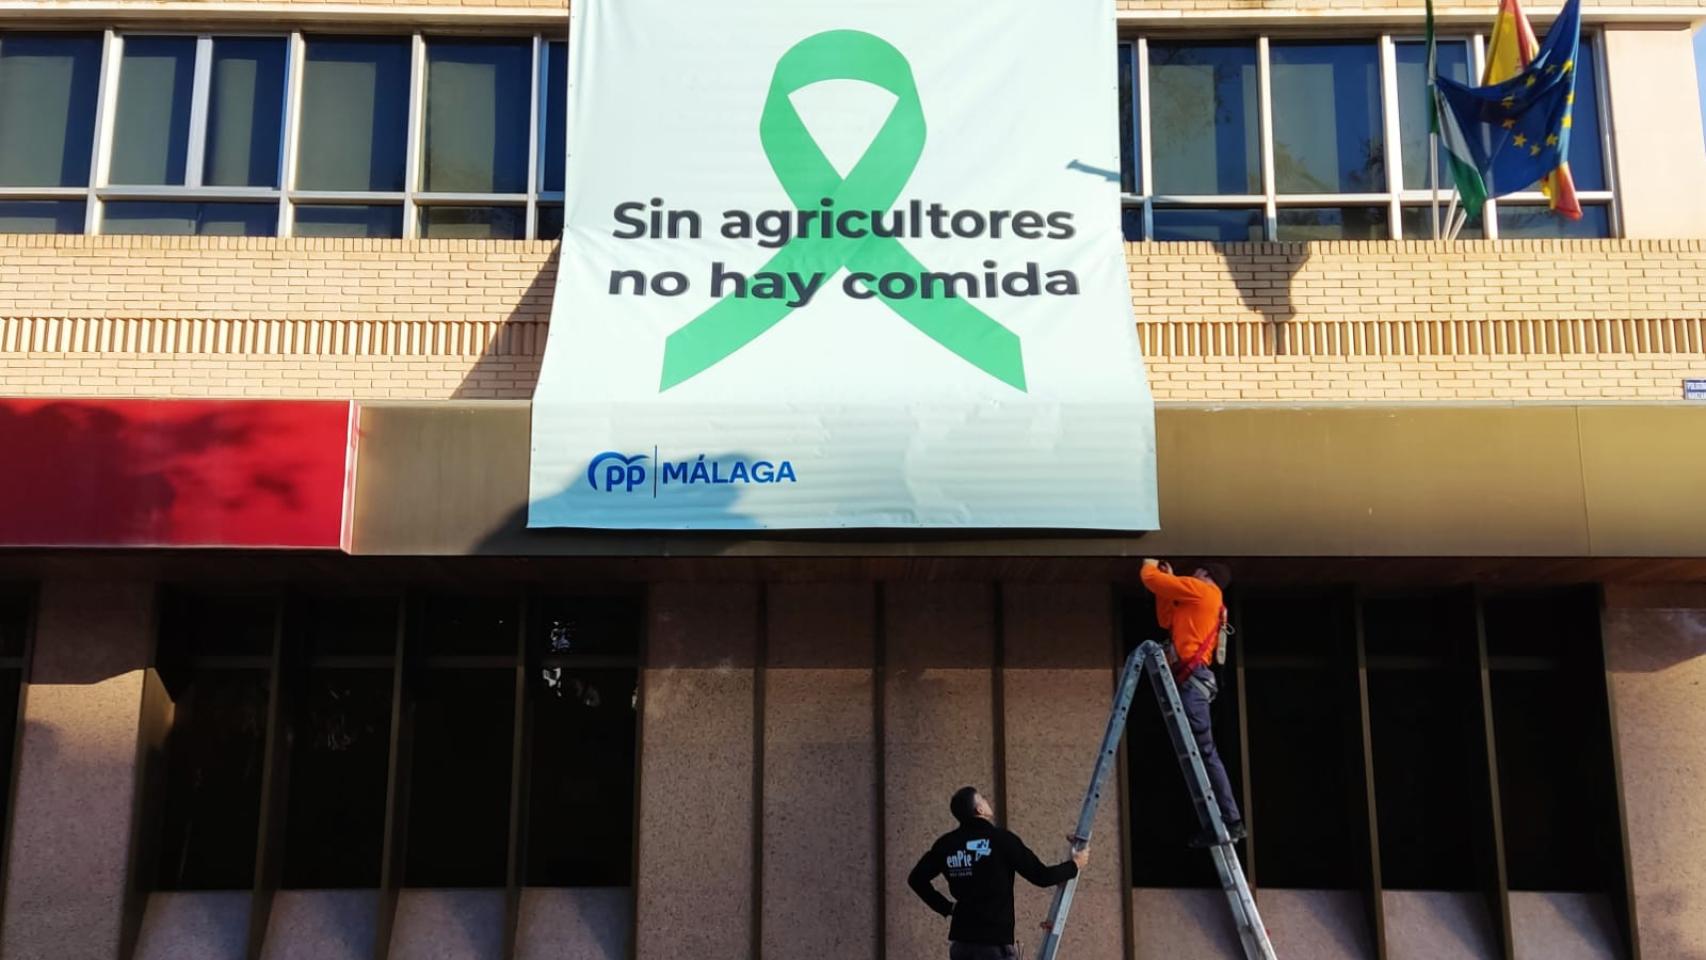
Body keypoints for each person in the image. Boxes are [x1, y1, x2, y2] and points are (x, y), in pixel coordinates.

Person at [908, 786, 1090, 960]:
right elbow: (1041, 876)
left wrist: (947, 907)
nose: (987, 801)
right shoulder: (1001, 839)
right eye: (983, 799)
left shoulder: (946, 844)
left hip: (961, 942)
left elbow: (916, 879)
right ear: (979, 809)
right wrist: (1074, 865)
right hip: (994, 943)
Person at [1140, 558, 1246, 847]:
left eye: (1195, 571)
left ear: (1204, 574)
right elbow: (1165, 619)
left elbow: (1152, 581)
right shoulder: (1197, 599)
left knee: (1204, 752)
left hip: (1193, 681)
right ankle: (1219, 823)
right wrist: (1167, 581)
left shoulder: (1203, 591)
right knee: (1199, 753)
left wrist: (1149, 566)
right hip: (1190, 681)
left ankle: (1231, 821)